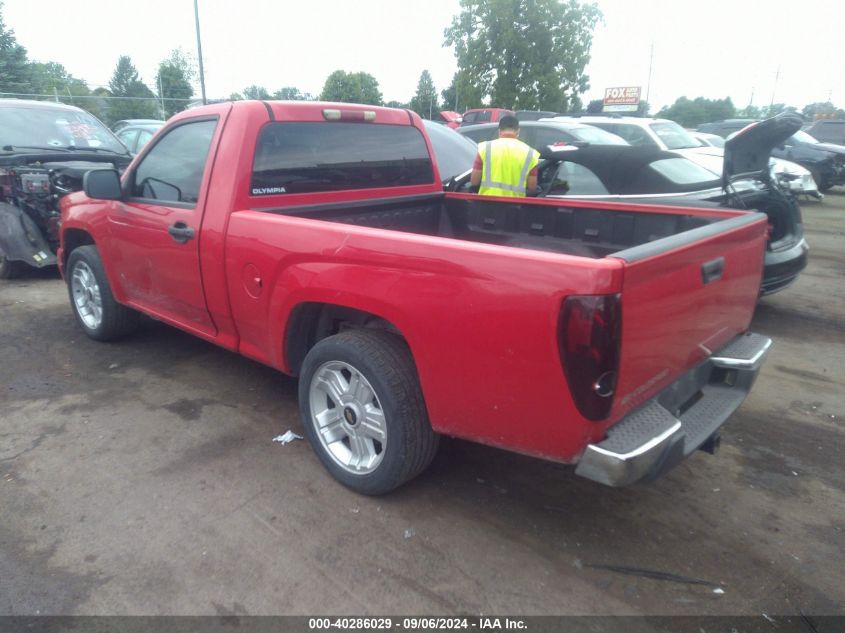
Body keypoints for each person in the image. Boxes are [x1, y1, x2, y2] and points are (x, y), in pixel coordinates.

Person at [470, 114, 539, 197]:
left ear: (499, 131)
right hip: (515, 205)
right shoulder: (530, 153)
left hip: (487, 203)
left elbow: (474, 182)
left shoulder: (485, 148)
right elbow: (532, 187)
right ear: (518, 131)